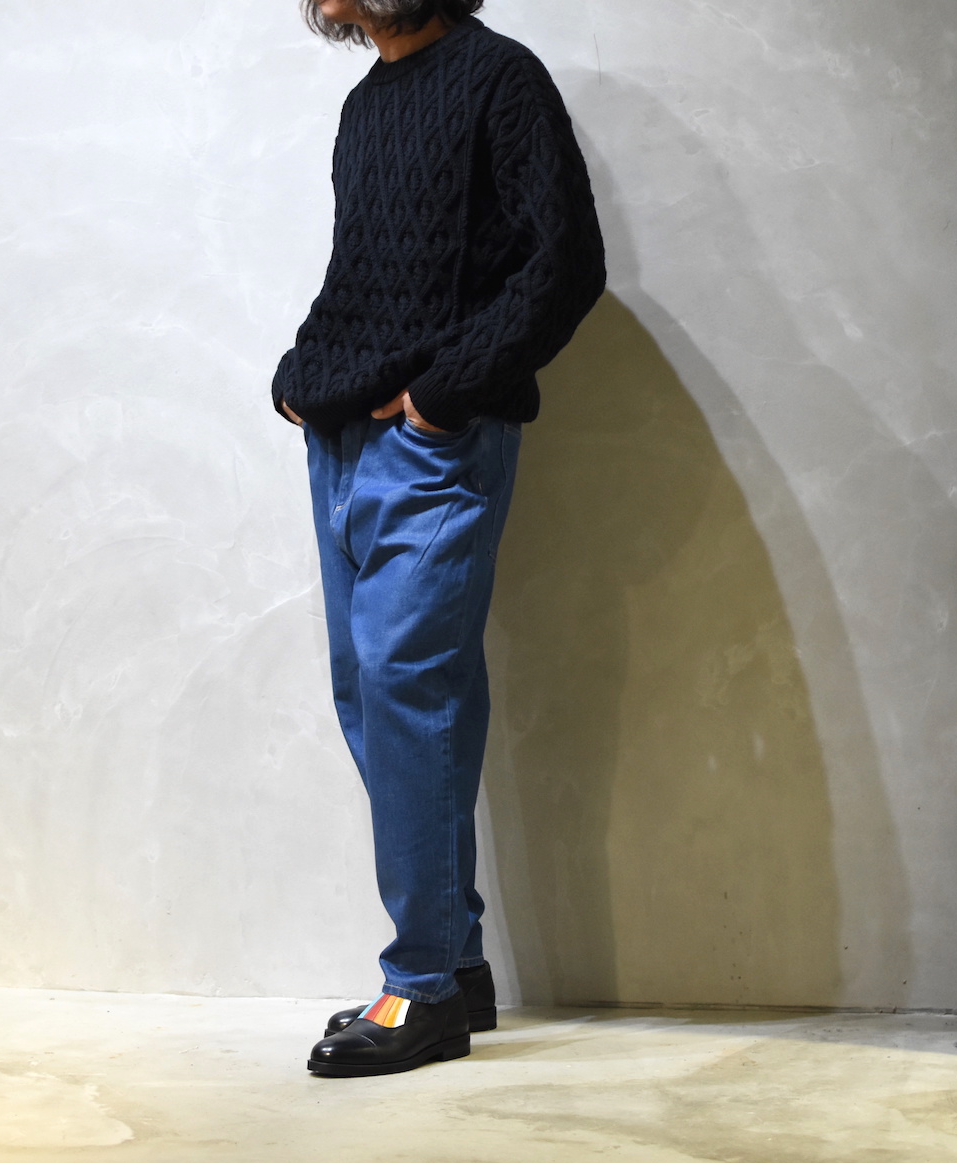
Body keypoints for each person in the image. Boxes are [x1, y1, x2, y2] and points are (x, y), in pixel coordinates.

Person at [273, 0, 605, 1077]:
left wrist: (444, 396)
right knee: (373, 696)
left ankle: (417, 988)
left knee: (408, 690)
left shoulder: (501, 78)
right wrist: (298, 377)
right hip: (339, 442)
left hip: (433, 449)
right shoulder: (368, 105)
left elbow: (566, 262)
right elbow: (365, 279)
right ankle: (454, 968)